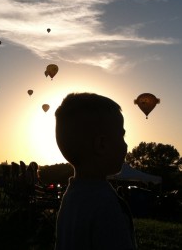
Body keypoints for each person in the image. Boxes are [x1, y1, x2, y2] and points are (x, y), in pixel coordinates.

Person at [54, 92, 137, 250]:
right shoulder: (107, 207)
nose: (126, 146)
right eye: (122, 136)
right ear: (101, 145)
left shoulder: (70, 196)